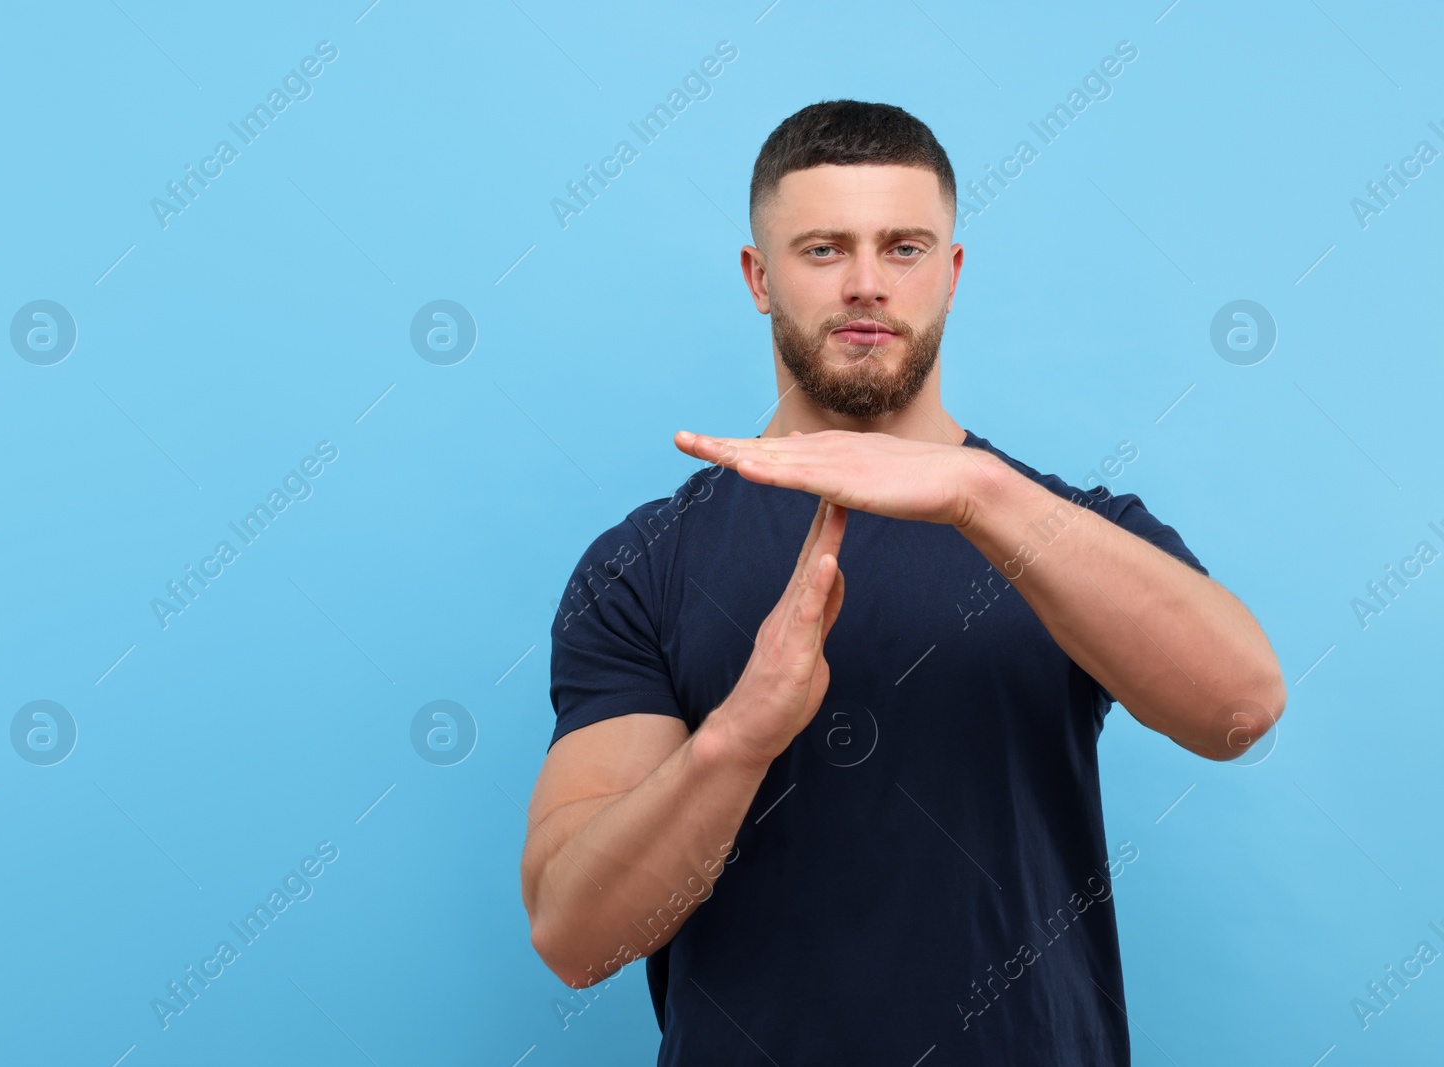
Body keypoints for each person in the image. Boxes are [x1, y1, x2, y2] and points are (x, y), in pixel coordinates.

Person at [518, 99, 1286, 1065]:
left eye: (906, 248)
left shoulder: (1071, 529)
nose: (868, 284)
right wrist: (740, 737)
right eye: (825, 249)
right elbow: (574, 938)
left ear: (952, 274)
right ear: (759, 278)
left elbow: (1242, 706)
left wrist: (977, 491)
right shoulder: (643, 565)